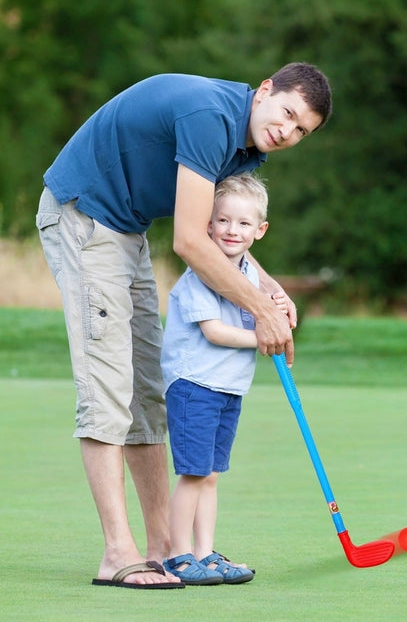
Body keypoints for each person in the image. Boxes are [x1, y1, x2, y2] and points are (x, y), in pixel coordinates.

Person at [35, 63, 332, 589]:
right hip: (84, 217)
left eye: (302, 130)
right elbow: (192, 242)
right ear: (265, 90)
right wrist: (260, 313)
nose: (288, 132)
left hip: (127, 231)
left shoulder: (246, 149)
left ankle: (164, 549)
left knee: (149, 390)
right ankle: (118, 555)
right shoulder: (211, 118)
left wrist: (270, 290)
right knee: (108, 384)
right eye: (287, 112)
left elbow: (222, 240)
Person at [161, 173, 283, 585]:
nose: (233, 230)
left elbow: (269, 308)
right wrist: (263, 335)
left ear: (260, 230)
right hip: (194, 385)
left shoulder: (249, 273)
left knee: (211, 475)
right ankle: (178, 556)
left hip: (228, 387)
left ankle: (205, 553)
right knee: (194, 473)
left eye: (244, 223)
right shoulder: (200, 275)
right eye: (224, 221)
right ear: (208, 225)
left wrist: (280, 312)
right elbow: (215, 331)